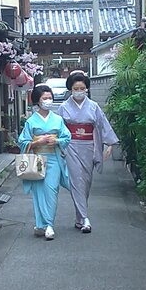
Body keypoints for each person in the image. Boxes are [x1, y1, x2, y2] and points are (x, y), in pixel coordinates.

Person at [57, 71, 119, 233]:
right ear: (70, 89)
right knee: (76, 180)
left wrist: (110, 144)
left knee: (85, 182)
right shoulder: (63, 108)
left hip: (89, 146)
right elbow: (57, 128)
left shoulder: (93, 106)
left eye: (82, 88)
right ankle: (85, 218)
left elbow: (102, 124)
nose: (79, 91)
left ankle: (79, 218)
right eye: (76, 88)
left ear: (87, 89)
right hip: (70, 145)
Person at [18, 84, 71, 240]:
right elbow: (23, 141)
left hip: (53, 158)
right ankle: (40, 224)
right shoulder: (31, 121)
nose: (48, 101)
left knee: (51, 191)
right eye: (45, 98)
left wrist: (56, 141)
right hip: (37, 159)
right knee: (38, 192)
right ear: (37, 101)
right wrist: (37, 142)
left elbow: (67, 137)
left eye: (50, 98)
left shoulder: (58, 119)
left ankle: (49, 225)